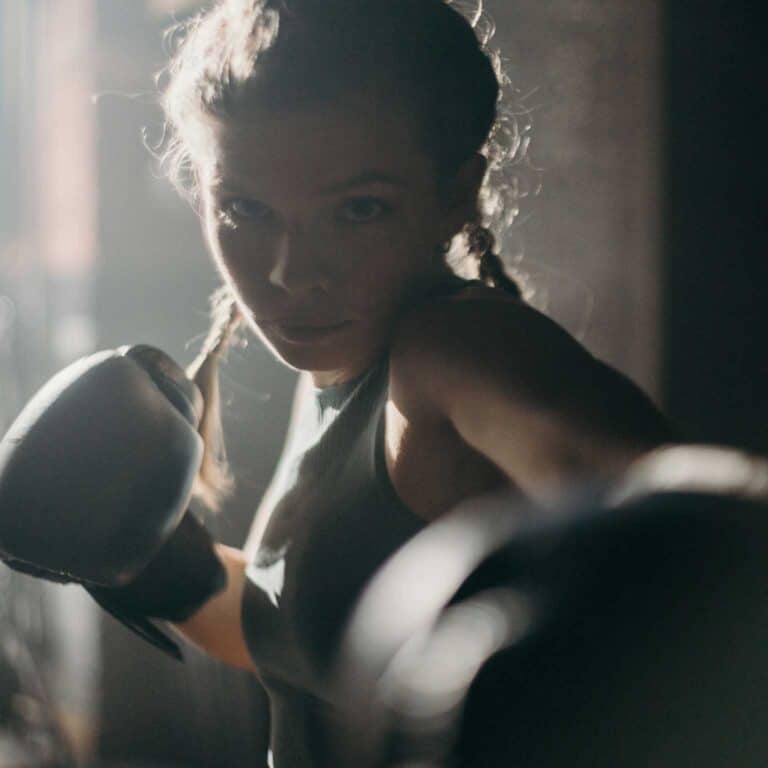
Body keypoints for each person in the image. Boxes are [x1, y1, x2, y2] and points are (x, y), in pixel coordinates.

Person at [145, 0, 678, 764]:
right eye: (246, 210)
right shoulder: (349, 355)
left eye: (360, 210)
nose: (291, 274)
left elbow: (701, 531)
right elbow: (306, 640)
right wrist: (160, 568)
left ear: (457, 193)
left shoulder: (456, 353)